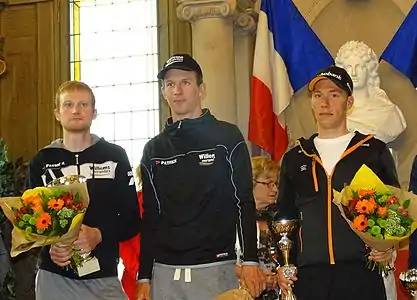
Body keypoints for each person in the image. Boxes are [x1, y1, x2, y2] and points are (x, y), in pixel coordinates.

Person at [135, 54, 265, 300]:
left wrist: (250, 260)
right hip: (165, 274)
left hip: (215, 270)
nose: (177, 91)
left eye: (185, 82)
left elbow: (243, 202)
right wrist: (144, 276)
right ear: (163, 92)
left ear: (201, 89)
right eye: (170, 84)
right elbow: (151, 216)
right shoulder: (153, 149)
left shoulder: (227, 137)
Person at [276, 66, 399, 300]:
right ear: (311, 103)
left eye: (334, 94)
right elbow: (285, 214)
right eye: (317, 95)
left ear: (349, 101)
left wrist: (388, 248)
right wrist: (284, 264)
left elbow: (394, 210)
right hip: (309, 277)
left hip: (361, 274)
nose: (325, 103)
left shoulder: (372, 151)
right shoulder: (296, 157)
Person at [26, 80, 141, 300]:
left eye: (83, 104)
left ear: (94, 112)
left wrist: (99, 234)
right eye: (68, 104)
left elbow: (131, 219)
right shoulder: (41, 161)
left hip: (103, 276)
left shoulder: (115, 156)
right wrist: (52, 245)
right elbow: (32, 223)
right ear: (57, 114)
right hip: (54, 278)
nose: (76, 110)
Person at [236, 156, 280, 300]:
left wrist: (278, 277)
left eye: (276, 183)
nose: (275, 189)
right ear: (251, 183)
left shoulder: (278, 219)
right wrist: (254, 276)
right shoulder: (230, 219)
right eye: (268, 183)